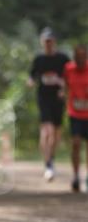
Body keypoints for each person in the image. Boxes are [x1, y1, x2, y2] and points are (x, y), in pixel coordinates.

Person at [27, 27, 69, 181]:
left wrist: (64, 88)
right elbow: (31, 76)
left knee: (56, 134)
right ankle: (48, 165)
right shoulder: (39, 60)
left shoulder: (63, 59)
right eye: (45, 42)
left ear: (54, 42)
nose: (48, 44)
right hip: (43, 98)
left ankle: (51, 159)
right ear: (42, 42)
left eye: (50, 41)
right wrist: (30, 82)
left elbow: (70, 77)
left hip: (58, 99)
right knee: (47, 130)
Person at [63, 43, 88, 193]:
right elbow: (65, 85)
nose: (80, 60)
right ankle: (76, 175)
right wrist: (64, 95)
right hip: (75, 112)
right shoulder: (68, 68)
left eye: (83, 56)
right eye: (77, 57)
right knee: (76, 143)